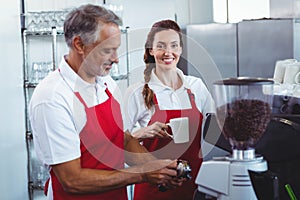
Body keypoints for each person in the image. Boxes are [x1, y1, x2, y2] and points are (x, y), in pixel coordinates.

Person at [29, 5, 185, 199]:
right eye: (107, 50)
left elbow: (124, 138)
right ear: (79, 45)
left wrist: (158, 167)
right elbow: (72, 180)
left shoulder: (106, 83)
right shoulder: (52, 97)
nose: (116, 59)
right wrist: (143, 173)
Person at [123, 19, 215, 200]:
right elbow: (118, 141)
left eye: (174, 45)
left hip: (194, 182)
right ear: (151, 50)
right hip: (154, 186)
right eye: (161, 46)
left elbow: (213, 128)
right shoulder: (136, 92)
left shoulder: (196, 86)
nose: (168, 52)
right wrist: (142, 132)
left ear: (180, 49)